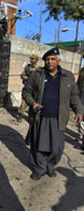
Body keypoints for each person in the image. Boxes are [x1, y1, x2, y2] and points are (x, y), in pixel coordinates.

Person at [22, 47, 83, 181]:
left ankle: (50, 166)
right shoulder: (36, 74)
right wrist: (33, 104)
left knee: (57, 148)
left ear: (59, 61)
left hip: (59, 118)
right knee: (38, 145)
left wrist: (79, 111)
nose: (50, 62)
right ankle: (40, 168)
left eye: (53, 59)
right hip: (40, 116)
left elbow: (74, 96)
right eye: (47, 59)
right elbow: (26, 91)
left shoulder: (68, 76)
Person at [17, 54, 39, 122]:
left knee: (34, 103)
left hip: (35, 89)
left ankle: (32, 117)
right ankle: (20, 115)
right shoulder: (27, 67)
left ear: (36, 60)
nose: (31, 60)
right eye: (31, 59)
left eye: (32, 59)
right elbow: (22, 76)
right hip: (27, 88)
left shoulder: (39, 69)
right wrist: (28, 78)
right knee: (24, 103)